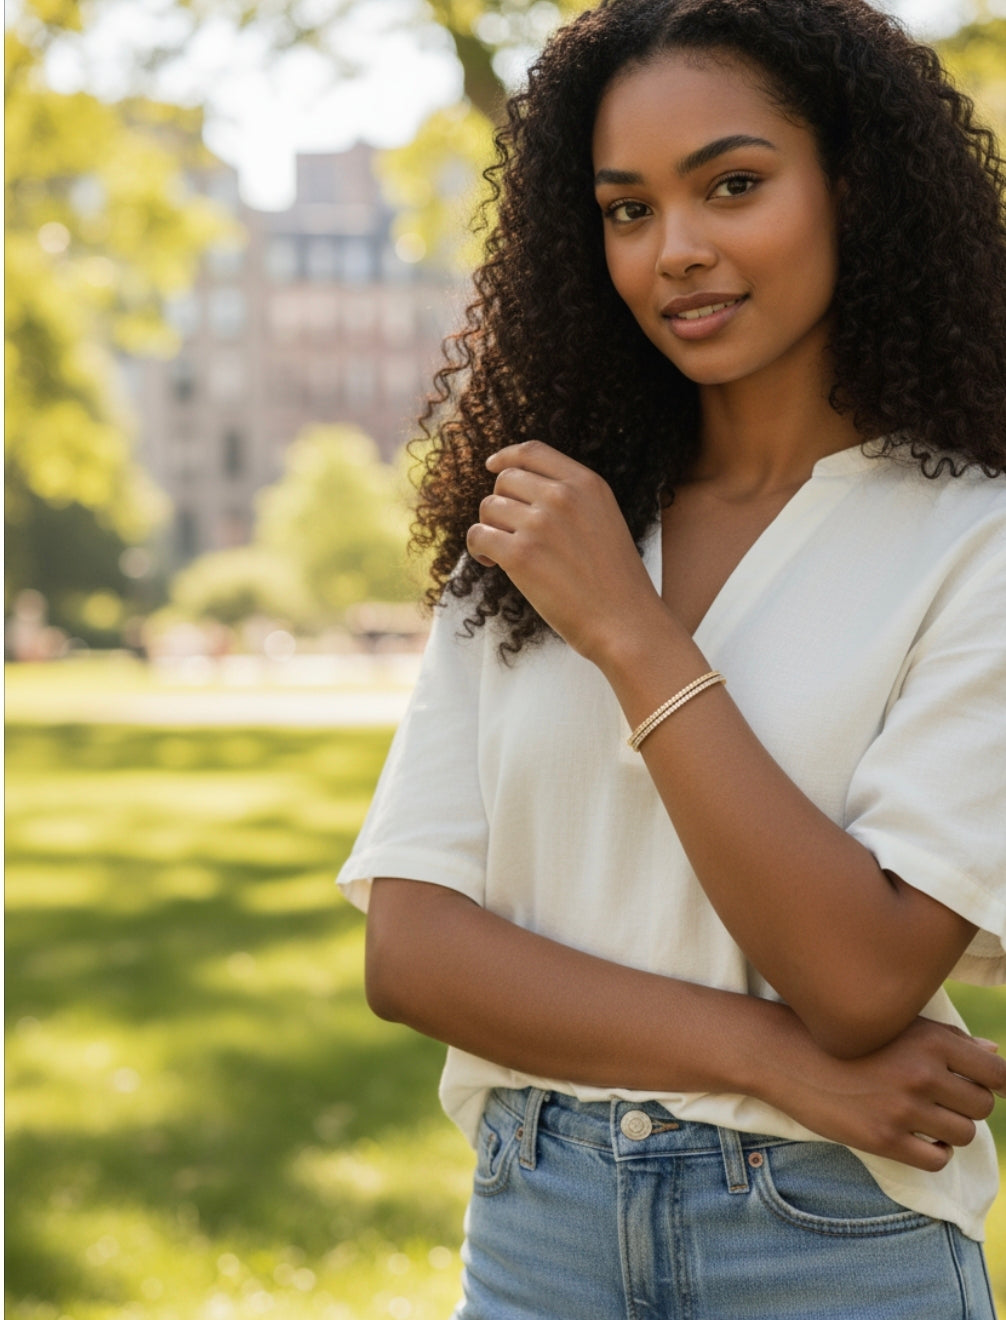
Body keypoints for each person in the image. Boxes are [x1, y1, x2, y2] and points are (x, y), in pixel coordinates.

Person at [338, 0, 1006, 1313]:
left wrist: (632, 635)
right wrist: (776, 1057)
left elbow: (863, 976)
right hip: (538, 1239)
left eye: (733, 186)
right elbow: (412, 950)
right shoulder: (546, 515)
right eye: (626, 209)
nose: (675, 252)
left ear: (852, 187)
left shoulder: (971, 539)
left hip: (826, 1246)